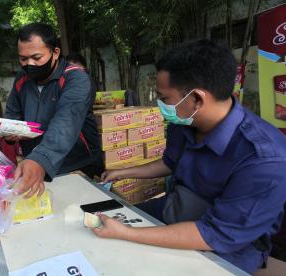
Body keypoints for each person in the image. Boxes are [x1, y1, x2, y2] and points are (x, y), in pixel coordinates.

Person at [98, 40, 286, 274]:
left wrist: (128, 234)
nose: (160, 105)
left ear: (197, 98)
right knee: (106, 229)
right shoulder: (184, 121)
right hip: (179, 208)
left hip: (230, 244)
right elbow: (170, 162)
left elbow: (216, 234)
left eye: (164, 98)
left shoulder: (264, 159)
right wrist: (124, 172)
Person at [5, 23, 102, 197]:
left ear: (55, 53)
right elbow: (13, 113)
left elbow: (66, 123)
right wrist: (10, 131)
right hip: (36, 164)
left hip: (76, 165)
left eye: (36, 57)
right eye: (23, 59)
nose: (30, 64)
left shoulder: (75, 78)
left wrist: (40, 159)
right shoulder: (22, 79)